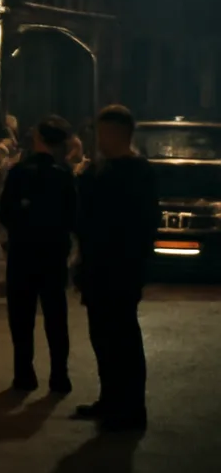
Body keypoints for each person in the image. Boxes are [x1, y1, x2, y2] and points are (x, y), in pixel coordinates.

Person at [74, 105, 159, 432]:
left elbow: (142, 223)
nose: (99, 139)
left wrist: (134, 262)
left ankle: (131, 408)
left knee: (123, 337)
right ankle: (110, 400)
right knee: (102, 336)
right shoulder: (99, 169)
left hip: (121, 268)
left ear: (118, 133)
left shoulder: (139, 172)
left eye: (103, 132)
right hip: (97, 265)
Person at [0, 115, 77, 394]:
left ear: (38, 139)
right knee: (56, 315)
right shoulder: (64, 174)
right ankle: (59, 375)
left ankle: (24, 374)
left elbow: (5, 211)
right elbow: (73, 215)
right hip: (54, 252)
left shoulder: (21, 172)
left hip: (23, 251)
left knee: (21, 316)